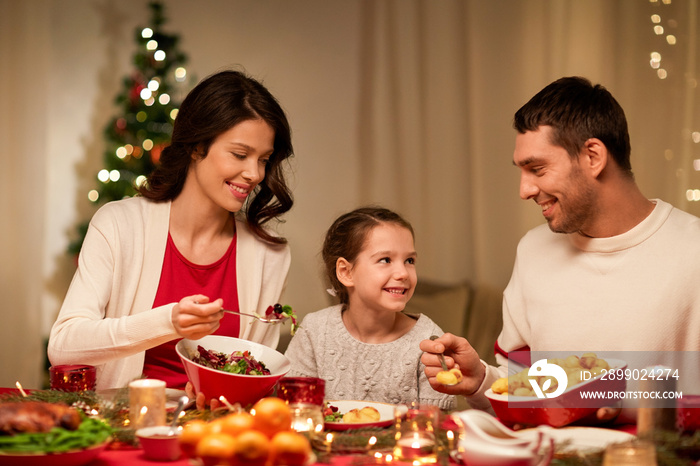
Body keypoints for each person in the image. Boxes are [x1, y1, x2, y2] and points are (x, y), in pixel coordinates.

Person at [420, 76, 700, 419]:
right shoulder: (533, 250)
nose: (524, 190)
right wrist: (479, 379)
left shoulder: (692, 251)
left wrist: (621, 403)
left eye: (537, 169)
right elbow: (522, 383)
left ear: (593, 156)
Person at [48, 70, 294, 404]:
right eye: (239, 155)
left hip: (214, 438)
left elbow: (257, 377)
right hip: (124, 427)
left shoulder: (269, 255)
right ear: (196, 146)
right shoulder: (120, 224)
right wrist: (168, 321)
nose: (254, 174)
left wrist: (226, 399)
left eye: (263, 160)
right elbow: (63, 346)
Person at [284, 207, 455, 410]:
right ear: (346, 272)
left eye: (409, 260)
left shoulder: (429, 340)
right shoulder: (314, 331)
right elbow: (295, 411)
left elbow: (433, 425)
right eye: (385, 260)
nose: (403, 273)